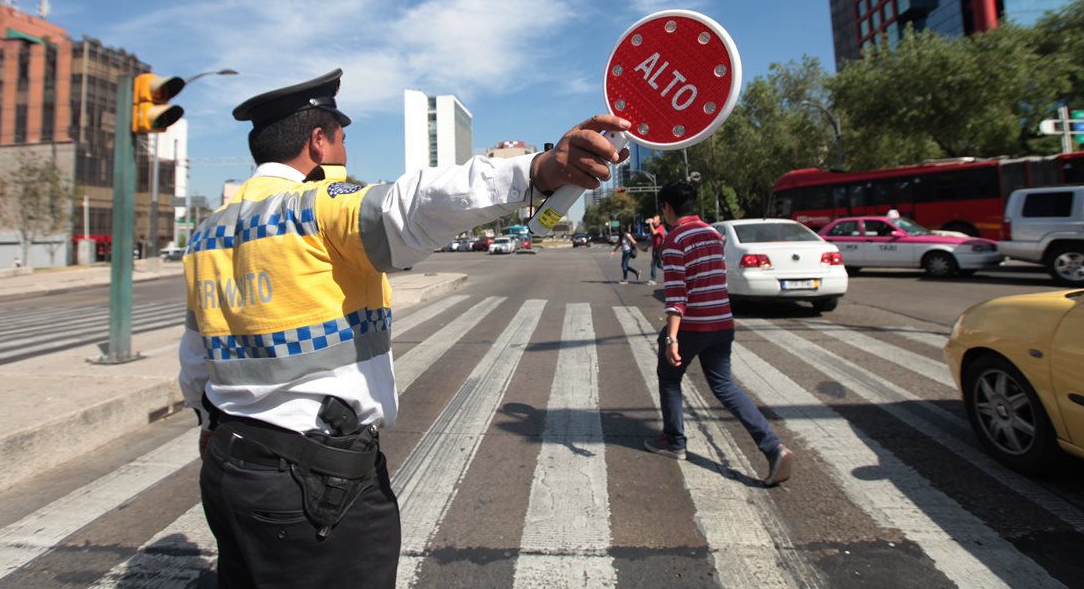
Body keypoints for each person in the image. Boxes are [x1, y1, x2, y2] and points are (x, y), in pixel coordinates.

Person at [178, 69, 631, 588]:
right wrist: (535, 170)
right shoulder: (315, 206)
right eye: (343, 138)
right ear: (318, 142)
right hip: (314, 482)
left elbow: (196, 353)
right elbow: (413, 202)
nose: (347, 151)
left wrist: (209, 426)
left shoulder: (207, 232)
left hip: (229, 466)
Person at [643, 179, 793, 487]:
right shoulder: (713, 233)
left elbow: (677, 295)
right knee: (726, 387)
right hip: (723, 322)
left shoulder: (674, 241)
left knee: (670, 379)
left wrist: (672, 338)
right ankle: (773, 446)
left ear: (667, 208)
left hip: (693, 326)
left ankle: (675, 441)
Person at [646, 214, 667, 286]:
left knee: (653, 264)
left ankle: (653, 280)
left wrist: (650, 223)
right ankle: (671, 273)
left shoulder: (661, 227)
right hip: (655, 249)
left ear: (659, 221)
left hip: (659, 249)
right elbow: (653, 239)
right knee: (659, 264)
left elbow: (655, 232)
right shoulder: (654, 227)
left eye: (655, 218)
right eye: (653, 217)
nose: (653, 219)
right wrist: (647, 246)